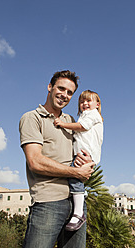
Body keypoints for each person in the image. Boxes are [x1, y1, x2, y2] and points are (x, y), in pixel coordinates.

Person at [19, 70, 95, 248]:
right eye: (61, 88)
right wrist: (76, 172)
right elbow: (35, 161)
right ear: (50, 87)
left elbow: (84, 146)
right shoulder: (32, 118)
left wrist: (88, 163)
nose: (65, 95)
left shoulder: (70, 120)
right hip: (48, 203)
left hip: (77, 205)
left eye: (70, 92)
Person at [54, 90, 103, 231]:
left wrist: (62, 124)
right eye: (82, 101)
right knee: (75, 180)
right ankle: (80, 199)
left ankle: (78, 213)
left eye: (89, 101)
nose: (85, 103)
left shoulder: (93, 115)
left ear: (97, 104)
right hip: (82, 153)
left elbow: (82, 127)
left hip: (84, 154)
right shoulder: (84, 115)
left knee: (75, 179)